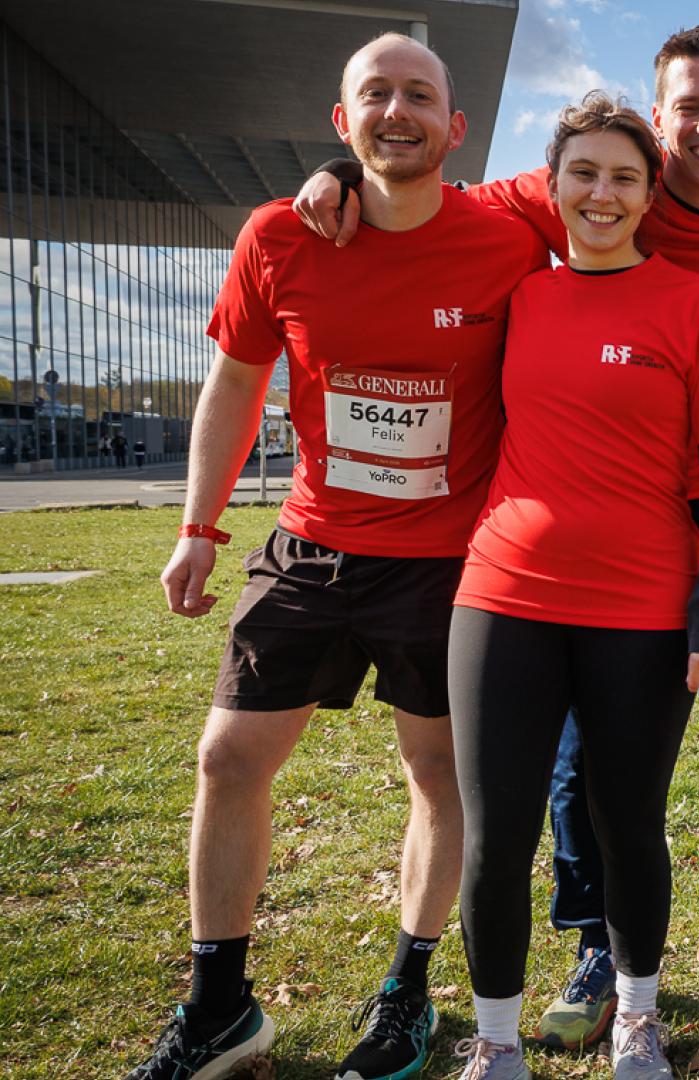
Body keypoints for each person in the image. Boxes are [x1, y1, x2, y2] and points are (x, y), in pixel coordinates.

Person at [297, 23, 699, 1030]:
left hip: (691, 545)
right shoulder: (552, 221)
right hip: (540, 569)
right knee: (576, 770)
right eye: (688, 109)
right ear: (657, 124)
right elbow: (421, 188)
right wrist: (340, 168)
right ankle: (591, 949)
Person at [136, 33, 548, 1080]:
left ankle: (407, 995)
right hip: (312, 546)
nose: (397, 111)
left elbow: (623, 174)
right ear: (339, 120)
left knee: (437, 778)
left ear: (458, 130)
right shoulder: (280, 234)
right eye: (377, 95)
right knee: (228, 759)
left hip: (453, 564)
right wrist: (198, 525)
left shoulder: (509, 236)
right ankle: (220, 1007)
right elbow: (233, 384)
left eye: (421, 97)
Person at [444, 92, 699, 1080]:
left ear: (650, 192)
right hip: (503, 595)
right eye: (584, 172)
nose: (603, 193)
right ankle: (496, 1043)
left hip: (644, 605)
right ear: (553, 186)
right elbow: (421, 208)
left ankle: (636, 1016)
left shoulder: (694, 305)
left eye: (624, 176)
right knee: (497, 834)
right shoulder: (520, 295)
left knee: (628, 824)